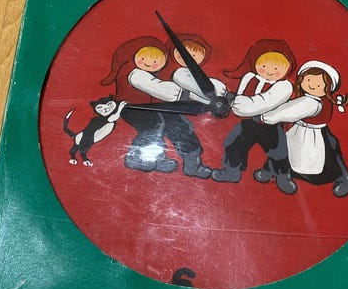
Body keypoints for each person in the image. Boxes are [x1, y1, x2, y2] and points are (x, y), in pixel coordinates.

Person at [211, 39, 297, 194]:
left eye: (276, 68)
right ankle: (231, 171)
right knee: (233, 145)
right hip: (248, 122)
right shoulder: (250, 77)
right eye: (264, 66)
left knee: (279, 152)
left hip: (269, 125)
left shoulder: (283, 86)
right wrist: (231, 98)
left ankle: (281, 176)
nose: (269, 71)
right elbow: (241, 96)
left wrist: (237, 102)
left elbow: (262, 102)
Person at [260, 60, 348, 197]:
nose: (312, 85)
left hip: (314, 133)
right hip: (300, 130)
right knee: (284, 149)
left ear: (328, 87)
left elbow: (289, 111)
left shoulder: (312, 102)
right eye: (308, 80)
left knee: (312, 157)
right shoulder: (309, 99)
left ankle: (342, 178)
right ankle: (272, 171)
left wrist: (266, 117)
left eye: (319, 84)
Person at [100, 36, 185, 172]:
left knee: (156, 127)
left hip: (145, 107)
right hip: (131, 107)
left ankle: (158, 158)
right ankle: (135, 157)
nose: (149, 63)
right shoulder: (136, 73)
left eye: (155, 61)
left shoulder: (153, 73)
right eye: (144, 58)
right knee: (153, 126)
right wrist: (183, 94)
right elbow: (156, 87)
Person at [162, 33, 227, 178]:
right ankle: (152, 160)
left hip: (188, 111)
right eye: (184, 53)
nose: (188, 57)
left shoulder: (197, 77)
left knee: (185, 134)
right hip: (167, 109)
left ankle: (192, 166)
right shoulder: (174, 72)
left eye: (195, 55)